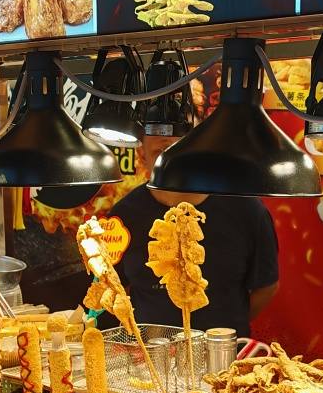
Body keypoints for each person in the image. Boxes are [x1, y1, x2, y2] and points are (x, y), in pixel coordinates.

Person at [113, 135, 280, 337]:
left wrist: (223, 333)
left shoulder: (247, 209)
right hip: (149, 349)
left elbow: (266, 286)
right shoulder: (124, 215)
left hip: (225, 350)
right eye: (163, 153)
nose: (176, 163)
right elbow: (115, 286)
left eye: (185, 149)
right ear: (142, 155)